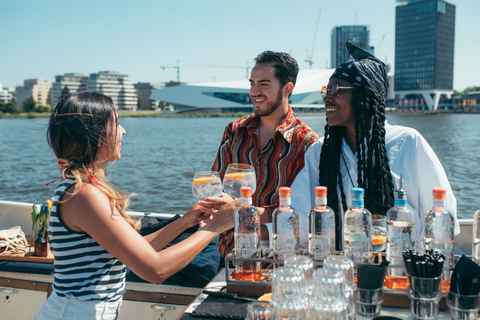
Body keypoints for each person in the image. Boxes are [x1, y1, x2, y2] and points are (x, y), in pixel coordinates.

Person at [35, 92, 233, 320]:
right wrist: (215, 227)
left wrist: (186, 222)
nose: (123, 131)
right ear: (95, 135)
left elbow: (133, 250)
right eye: (116, 124)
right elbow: (155, 271)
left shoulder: (80, 189)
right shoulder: (86, 195)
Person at [290, 42, 459, 250]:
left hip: (399, 269)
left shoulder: (407, 142)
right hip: (343, 269)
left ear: (366, 96)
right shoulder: (320, 151)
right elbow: (299, 215)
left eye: (336, 89)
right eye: (326, 90)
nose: (327, 98)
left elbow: (442, 214)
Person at [200, 50, 319, 258]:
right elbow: (215, 186)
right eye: (252, 83)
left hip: (279, 258)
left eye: (263, 84)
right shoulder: (234, 131)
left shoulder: (306, 142)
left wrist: (240, 211)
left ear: (287, 89)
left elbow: (302, 210)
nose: (254, 91)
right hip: (230, 252)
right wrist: (213, 206)